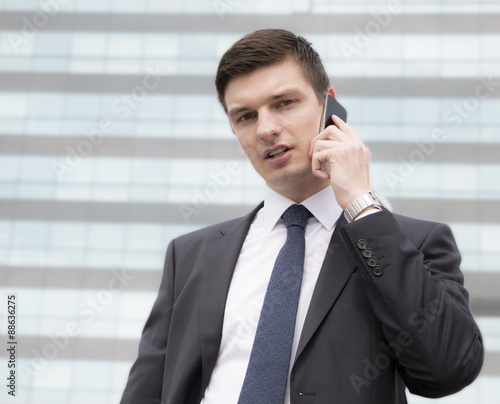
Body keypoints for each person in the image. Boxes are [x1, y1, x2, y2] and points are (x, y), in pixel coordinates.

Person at [120, 29, 484, 404]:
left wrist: (360, 202)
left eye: (284, 103)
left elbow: (448, 368)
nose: (265, 129)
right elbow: (146, 389)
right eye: (245, 116)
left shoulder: (412, 242)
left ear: (329, 106)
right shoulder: (190, 255)